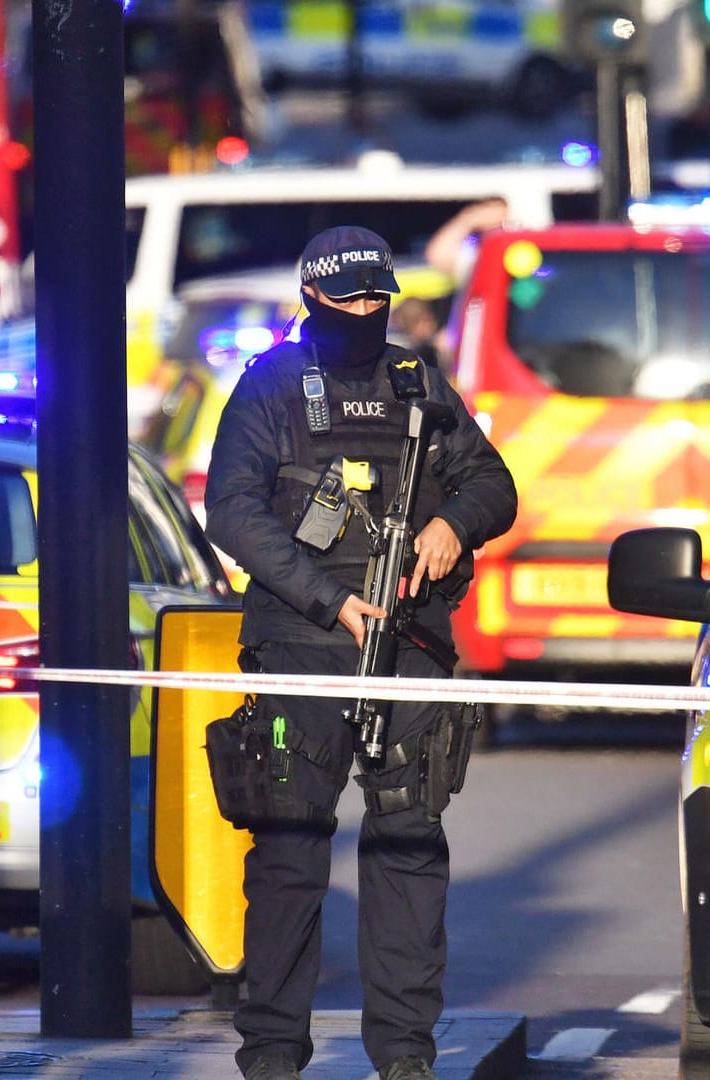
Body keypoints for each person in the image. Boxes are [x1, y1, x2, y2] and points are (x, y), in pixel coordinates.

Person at [204, 225, 518, 1080]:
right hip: (304, 646)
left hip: (409, 645)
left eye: (379, 299)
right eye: (349, 301)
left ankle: (406, 1057)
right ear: (312, 298)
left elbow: (494, 482)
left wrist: (455, 522)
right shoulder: (270, 387)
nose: (367, 313)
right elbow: (230, 512)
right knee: (289, 852)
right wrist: (329, 599)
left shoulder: (416, 379)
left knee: (410, 845)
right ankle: (271, 1054)